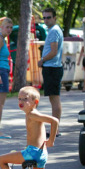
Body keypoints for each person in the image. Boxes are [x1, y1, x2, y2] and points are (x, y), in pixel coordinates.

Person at [37, 7, 63, 137]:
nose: (46, 20)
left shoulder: (53, 31)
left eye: (48, 17)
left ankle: (55, 129)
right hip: (53, 67)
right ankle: (55, 128)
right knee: (54, 98)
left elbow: (53, 51)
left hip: (52, 67)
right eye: (44, 18)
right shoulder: (54, 30)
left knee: (55, 98)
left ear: (54, 18)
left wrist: (42, 60)